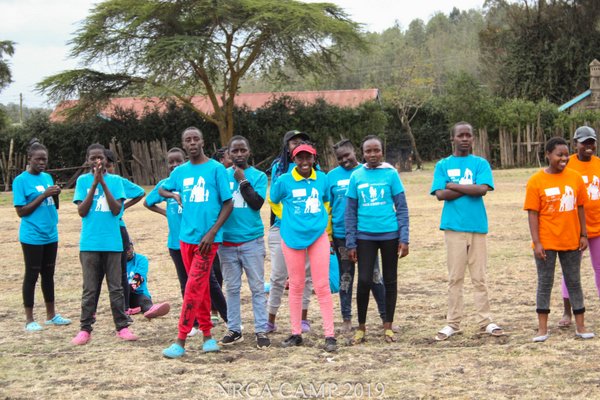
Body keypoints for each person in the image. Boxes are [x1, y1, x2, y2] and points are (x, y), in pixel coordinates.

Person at [160, 127, 233, 359]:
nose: (192, 143)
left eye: (195, 139)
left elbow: (228, 203)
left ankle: (180, 340)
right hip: (185, 239)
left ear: (203, 141)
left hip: (207, 242)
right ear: (184, 145)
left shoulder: (216, 169)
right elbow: (162, 188)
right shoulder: (180, 172)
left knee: (193, 286)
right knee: (200, 287)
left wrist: (213, 232)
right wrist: (173, 194)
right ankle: (207, 336)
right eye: (187, 140)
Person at [430, 122, 503, 341]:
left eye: (468, 135)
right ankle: (453, 323)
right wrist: (469, 189)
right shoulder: (443, 165)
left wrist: (453, 186)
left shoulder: (480, 163)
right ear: (452, 138)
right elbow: (440, 194)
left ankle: (486, 321)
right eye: (460, 135)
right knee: (455, 278)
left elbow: (482, 190)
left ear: (473, 138)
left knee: (479, 277)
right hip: (453, 227)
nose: (464, 139)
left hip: (477, 227)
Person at [524, 136, 594, 342]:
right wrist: (537, 242)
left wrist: (583, 234)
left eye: (565, 155)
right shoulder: (536, 181)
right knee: (545, 282)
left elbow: (580, 207)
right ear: (548, 155)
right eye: (559, 155)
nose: (564, 158)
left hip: (571, 240)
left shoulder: (575, 178)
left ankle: (581, 326)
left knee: (574, 282)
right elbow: (532, 214)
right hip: (546, 242)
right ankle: (542, 329)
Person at [270, 143, 337, 352]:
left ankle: (330, 336)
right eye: (300, 158)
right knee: (296, 285)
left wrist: (321, 223)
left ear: (314, 159)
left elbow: (326, 201)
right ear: (294, 159)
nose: (305, 162)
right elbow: (273, 200)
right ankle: (296, 333)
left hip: (318, 236)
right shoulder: (284, 180)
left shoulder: (322, 178)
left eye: (309, 157)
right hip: (292, 237)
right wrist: (285, 218)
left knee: (322, 285)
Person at [71, 143, 138, 345]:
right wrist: (94, 185)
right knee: (90, 289)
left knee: (116, 288)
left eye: (100, 157)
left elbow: (116, 210)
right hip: (89, 244)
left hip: (113, 243)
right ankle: (85, 329)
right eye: (93, 158)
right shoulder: (82, 181)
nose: (97, 161)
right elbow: (82, 211)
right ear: (87, 161)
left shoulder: (116, 181)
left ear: (106, 160)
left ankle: (122, 326)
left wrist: (104, 184)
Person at [345, 135, 409, 344]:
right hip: (365, 236)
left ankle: (388, 326)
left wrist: (404, 238)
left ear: (382, 151)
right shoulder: (356, 176)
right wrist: (351, 242)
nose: (372, 154)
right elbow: (350, 212)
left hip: (390, 235)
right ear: (362, 153)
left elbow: (401, 208)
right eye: (368, 151)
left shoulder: (391, 174)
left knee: (390, 280)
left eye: (376, 150)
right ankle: (361, 327)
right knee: (364, 280)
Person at [327, 139, 388, 334]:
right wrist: (329, 235)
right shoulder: (331, 177)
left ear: (356, 152)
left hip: (366, 234)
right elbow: (327, 207)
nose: (345, 160)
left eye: (348, 155)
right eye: (340, 158)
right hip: (341, 235)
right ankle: (346, 319)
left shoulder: (367, 172)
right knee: (346, 277)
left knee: (374, 276)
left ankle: (386, 318)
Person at [218, 135, 270, 348]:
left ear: (249, 152)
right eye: (235, 151)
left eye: (243, 150)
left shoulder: (258, 176)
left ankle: (261, 329)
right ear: (228, 154)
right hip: (227, 243)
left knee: (257, 287)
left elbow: (256, 203)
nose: (239, 154)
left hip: (252, 241)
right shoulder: (221, 175)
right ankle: (234, 329)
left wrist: (242, 181)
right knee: (232, 288)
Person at [13, 141, 71, 331]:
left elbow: (54, 206)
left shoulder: (47, 177)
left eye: (44, 159)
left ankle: (51, 315)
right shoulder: (20, 181)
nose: (41, 163)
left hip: (50, 234)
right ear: (29, 159)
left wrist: (56, 194)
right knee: (32, 275)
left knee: (48, 275)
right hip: (32, 235)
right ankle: (29, 320)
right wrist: (44, 195)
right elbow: (21, 211)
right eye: (38, 159)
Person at [266, 130, 313, 333]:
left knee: (305, 276)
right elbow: (275, 199)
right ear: (287, 147)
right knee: (278, 276)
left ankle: (303, 319)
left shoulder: (314, 168)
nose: (298, 145)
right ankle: (270, 319)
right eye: (294, 142)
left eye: (302, 141)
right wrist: (289, 220)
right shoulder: (279, 168)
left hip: (307, 229)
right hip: (282, 227)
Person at [559, 127, 600, 328]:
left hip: (598, 226)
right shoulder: (568, 164)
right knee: (571, 270)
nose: (588, 146)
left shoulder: (598, 164)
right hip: (574, 227)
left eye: (591, 142)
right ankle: (568, 312)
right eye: (584, 142)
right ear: (575, 144)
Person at [100, 149, 145, 315]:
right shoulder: (91, 182)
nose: (107, 169)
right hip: (100, 232)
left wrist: (122, 207)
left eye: (109, 166)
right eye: (104, 166)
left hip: (118, 229)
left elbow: (140, 192)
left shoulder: (118, 181)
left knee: (121, 271)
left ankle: (125, 308)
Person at [125, 242, 170, 318]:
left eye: (129, 248)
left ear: (132, 247)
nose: (128, 251)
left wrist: (128, 289)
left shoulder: (141, 259)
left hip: (138, 293)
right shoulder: (117, 262)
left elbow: (140, 277)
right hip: (122, 295)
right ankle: (126, 309)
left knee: (144, 302)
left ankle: (153, 310)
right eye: (125, 249)